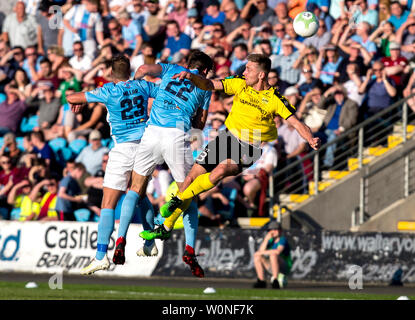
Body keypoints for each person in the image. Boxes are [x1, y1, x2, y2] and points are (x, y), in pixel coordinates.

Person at [142, 53, 320, 246]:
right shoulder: (239, 83)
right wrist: (192, 77)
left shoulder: (275, 98)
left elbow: (297, 123)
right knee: (190, 178)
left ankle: (178, 200)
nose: (244, 72)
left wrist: (310, 138)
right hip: (227, 138)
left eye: (249, 69)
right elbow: (210, 85)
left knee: (222, 169)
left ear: (261, 75)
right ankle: (166, 227)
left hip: (250, 146)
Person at [117, 50, 214, 277]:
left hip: (152, 133)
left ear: (187, 63)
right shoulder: (205, 85)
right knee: (188, 195)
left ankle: (122, 239)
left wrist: (133, 86)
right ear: (206, 70)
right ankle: (189, 249)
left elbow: (142, 69)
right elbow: (200, 124)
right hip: (176, 134)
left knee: (135, 189)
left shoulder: (171, 68)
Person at [66, 55, 159, 275]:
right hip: (145, 146)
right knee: (139, 194)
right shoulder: (143, 85)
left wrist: (75, 103)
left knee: (108, 203)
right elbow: (163, 92)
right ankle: (149, 242)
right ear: (130, 70)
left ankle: (100, 256)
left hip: (123, 148)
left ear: (110, 73)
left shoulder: (107, 90)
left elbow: (72, 96)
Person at [253, 221, 292, 289]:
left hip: (284, 266)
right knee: (257, 257)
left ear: (280, 230)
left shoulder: (282, 240)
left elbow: (277, 252)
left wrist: (261, 252)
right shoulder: (270, 241)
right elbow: (260, 251)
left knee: (273, 255)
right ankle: (261, 281)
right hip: (273, 266)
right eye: (271, 230)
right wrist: (266, 240)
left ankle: (275, 280)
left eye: (275, 229)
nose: (273, 232)